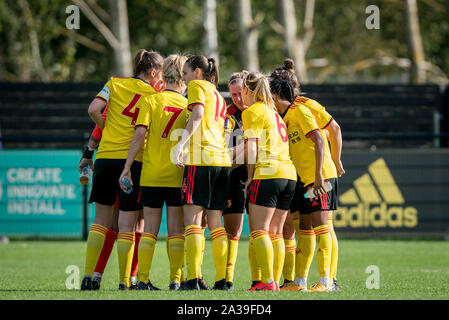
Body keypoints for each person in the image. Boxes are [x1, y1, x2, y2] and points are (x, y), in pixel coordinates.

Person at [81, 49, 164, 290]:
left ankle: (88, 278)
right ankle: (125, 282)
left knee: (100, 221)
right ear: (153, 72)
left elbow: (93, 109)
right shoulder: (155, 95)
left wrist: (106, 128)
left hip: (105, 158)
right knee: (129, 224)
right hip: (134, 161)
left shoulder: (114, 83)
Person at [271, 59, 344, 291]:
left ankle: (327, 281)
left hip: (319, 176)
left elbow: (323, 136)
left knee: (323, 226)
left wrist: (327, 168)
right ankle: (299, 282)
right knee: (305, 229)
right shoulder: (284, 116)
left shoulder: (301, 108)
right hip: (304, 180)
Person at [119, 54, 188, 291]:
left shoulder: (150, 101)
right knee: (176, 231)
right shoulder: (188, 106)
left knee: (149, 230)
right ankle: (176, 280)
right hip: (177, 174)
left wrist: (127, 167)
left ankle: (144, 280)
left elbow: (139, 135)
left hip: (151, 175)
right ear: (183, 77)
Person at [174, 55, 232, 290]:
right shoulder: (218, 94)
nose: (184, 78)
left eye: (186, 73)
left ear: (197, 72)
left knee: (193, 223)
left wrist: (180, 144)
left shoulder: (196, 86)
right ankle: (222, 280)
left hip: (200, 159)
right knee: (216, 223)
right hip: (221, 161)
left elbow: (197, 115)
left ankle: (193, 279)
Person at [241, 72, 297, 291]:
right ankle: (272, 281)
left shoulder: (253, 111)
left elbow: (252, 148)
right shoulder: (273, 112)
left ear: (248, 90)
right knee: (276, 232)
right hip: (288, 174)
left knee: (259, 231)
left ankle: (268, 281)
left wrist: (250, 176)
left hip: (268, 174)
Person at [222, 71, 249, 290]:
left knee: (272, 231)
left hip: (265, 176)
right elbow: (225, 150)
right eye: (233, 95)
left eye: (241, 93)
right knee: (232, 231)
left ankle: (272, 280)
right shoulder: (228, 114)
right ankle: (227, 279)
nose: (238, 99)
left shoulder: (262, 110)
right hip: (235, 178)